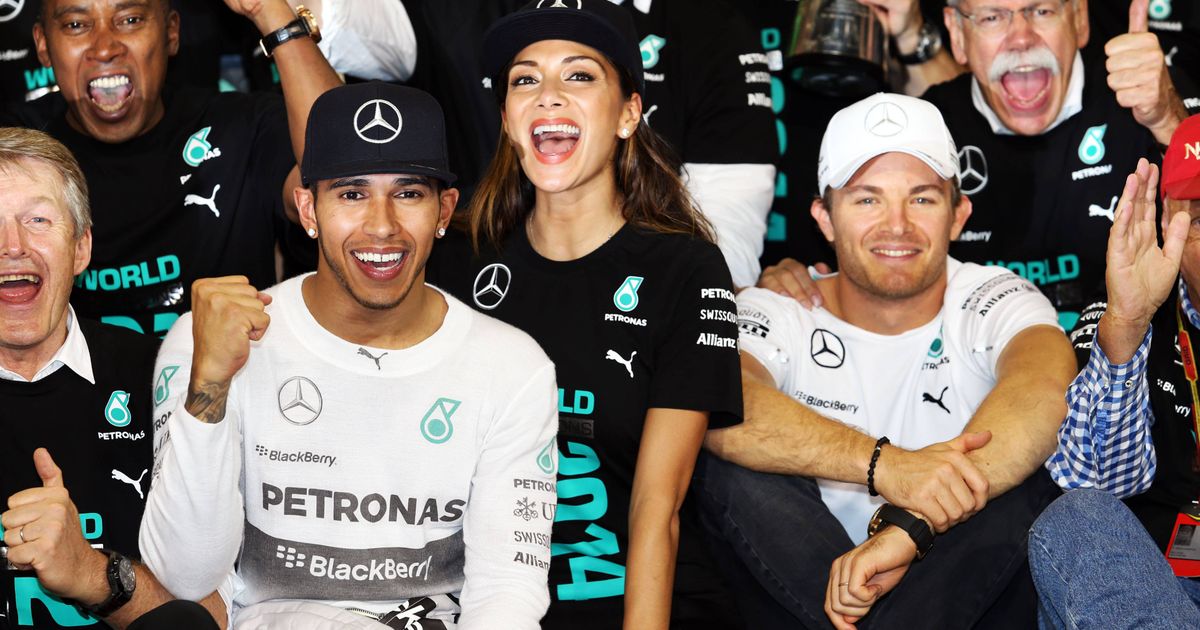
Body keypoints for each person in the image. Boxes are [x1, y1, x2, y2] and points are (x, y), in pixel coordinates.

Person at [138, 81, 558, 629]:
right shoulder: (209, 340)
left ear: (444, 210)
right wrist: (210, 384)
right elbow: (184, 579)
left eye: (409, 193)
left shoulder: (513, 367)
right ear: (307, 209)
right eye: (352, 194)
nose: (381, 226)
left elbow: (507, 594)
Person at [694, 92, 1076, 629]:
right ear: (824, 218)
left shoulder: (995, 295)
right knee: (724, 455)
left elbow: (1047, 391)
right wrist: (887, 466)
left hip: (956, 596)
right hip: (806, 590)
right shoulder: (776, 308)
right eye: (867, 200)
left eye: (921, 199)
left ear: (958, 215)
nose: (896, 225)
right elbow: (719, 400)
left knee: (1032, 468)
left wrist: (911, 525)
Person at [424, 1, 744, 628]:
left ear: (628, 113)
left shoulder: (686, 270)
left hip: (639, 606)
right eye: (525, 79)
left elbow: (656, 508)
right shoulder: (455, 262)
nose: (548, 95)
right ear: (506, 119)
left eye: (579, 75)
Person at [763, 0, 1187, 332]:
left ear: (1078, 18)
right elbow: (864, 266)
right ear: (957, 34)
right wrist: (798, 280)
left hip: (1135, 375)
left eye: (1041, 11)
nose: (1021, 38)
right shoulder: (928, 127)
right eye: (991, 17)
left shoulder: (1149, 98)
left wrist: (1167, 119)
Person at [0, 0, 341, 337]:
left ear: (171, 32)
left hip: (236, 372)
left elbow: (346, 186)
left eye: (130, 20)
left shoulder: (241, 127)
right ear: (43, 45)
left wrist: (267, 10)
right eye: (76, 25)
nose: (104, 48)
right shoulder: (14, 148)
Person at [0, 127, 217, 630]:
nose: (13, 246)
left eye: (37, 220)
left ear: (81, 248)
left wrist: (92, 575)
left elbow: (218, 616)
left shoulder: (166, 380)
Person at [1030, 117, 1200, 627]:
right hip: (1164, 590)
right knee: (1078, 520)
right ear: (1168, 218)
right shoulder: (1125, 308)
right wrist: (1127, 326)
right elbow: (1093, 483)